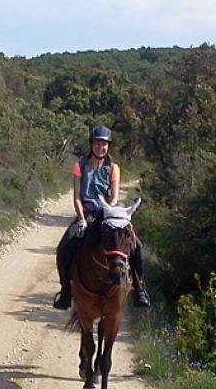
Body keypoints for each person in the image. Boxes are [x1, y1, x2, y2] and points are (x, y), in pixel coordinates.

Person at [52, 124, 151, 309]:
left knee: (137, 245)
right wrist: (81, 219)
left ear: (108, 146)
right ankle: (66, 292)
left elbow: (113, 197)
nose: (101, 147)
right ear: (92, 144)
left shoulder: (113, 168)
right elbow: (77, 196)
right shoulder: (79, 166)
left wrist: (109, 213)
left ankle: (139, 288)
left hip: (108, 214)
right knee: (64, 246)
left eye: (105, 144)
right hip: (87, 214)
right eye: (98, 143)